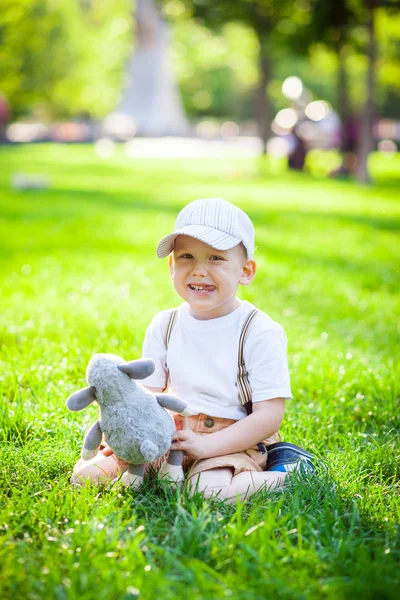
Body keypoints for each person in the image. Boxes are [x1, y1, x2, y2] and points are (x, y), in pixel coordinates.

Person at [71, 198, 313, 502]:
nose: (199, 271)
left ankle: (288, 472)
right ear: (172, 266)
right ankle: (155, 466)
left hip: (230, 437)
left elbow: (269, 416)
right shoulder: (165, 324)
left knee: (206, 493)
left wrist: (207, 446)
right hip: (167, 431)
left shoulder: (258, 330)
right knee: (84, 478)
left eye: (215, 258)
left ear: (246, 271)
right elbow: (147, 392)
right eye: (187, 256)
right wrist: (127, 429)